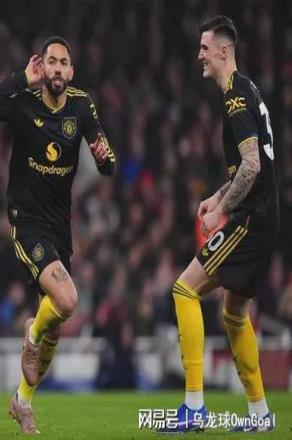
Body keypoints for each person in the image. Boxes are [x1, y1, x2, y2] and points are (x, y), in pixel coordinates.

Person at [0, 36, 115, 433]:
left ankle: (22, 402)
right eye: (50, 61)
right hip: (26, 220)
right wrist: (22, 78)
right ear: (42, 65)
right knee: (67, 300)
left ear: (71, 71)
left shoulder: (82, 106)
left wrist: (105, 159)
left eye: (62, 62)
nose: (56, 68)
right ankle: (31, 331)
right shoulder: (25, 101)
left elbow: (106, 159)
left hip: (59, 226)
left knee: (56, 329)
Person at [159, 16, 278, 433]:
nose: (200, 56)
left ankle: (194, 408)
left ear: (224, 51)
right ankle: (260, 414)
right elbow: (251, 165)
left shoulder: (235, 99)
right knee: (234, 314)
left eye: (205, 48)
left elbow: (253, 164)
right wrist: (218, 194)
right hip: (264, 219)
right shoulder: (248, 89)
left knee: (183, 289)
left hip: (250, 220)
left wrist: (220, 209)